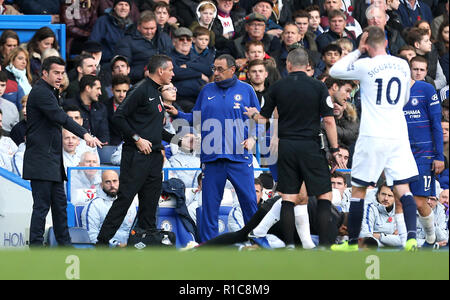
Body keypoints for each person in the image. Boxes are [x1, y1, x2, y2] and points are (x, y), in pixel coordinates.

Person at [329, 26, 420, 252]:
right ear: (387, 43)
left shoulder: (364, 65)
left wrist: (357, 51)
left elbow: (335, 70)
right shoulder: (402, 65)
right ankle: (410, 239)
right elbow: (405, 98)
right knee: (403, 188)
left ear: (367, 45)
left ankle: (351, 244)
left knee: (359, 189)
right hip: (397, 134)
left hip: (372, 135)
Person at [244, 48, 342, 247]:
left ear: (288, 65)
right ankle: (323, 245)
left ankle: (289, 245)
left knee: (288, 198)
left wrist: (254, 114)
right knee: (324, 196)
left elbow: (264, 120)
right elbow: (330, 121)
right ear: (307, 66)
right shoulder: (318, 87)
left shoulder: (278, 87)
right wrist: (334, 149)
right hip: (311, 145)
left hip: (287, 146)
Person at [165, 54, 261, 243]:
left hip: (239, 157)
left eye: (220, 69)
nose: (215, 73)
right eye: (214, 69)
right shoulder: (206, 90)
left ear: (232, 70)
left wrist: (252, 138)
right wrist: (178, 114)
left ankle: (255, 241)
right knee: (209, 206)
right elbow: (195, 118)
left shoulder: (247, 90)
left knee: (249, 202)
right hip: (212, 158)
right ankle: (209, 246)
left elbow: (259, 119)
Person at [95, 54, 178, 246]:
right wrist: (137, 139)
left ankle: (146, 244)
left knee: (150, 204)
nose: (173, 74)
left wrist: (178, 141)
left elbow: (154, 128)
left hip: (155, 157)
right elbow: (118, 117)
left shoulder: (157, 92)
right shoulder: (140, 90)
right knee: (124, 200)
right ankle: (101, 242)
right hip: (136, 156)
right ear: (160, 71)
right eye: (171, 70)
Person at [23, 56, 103, 247]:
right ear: (44, 73)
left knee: (59, 206)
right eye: (56, 73)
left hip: (52, 161)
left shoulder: (51, 91)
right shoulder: (41, 92)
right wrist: (84, 134)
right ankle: (35, 249)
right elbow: (60, 117)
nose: (60, 77)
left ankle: (65, 247)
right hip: (41, 160)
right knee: (41, 208)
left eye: (62, 73)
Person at [403, 59, 445, 246]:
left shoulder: (427, 90)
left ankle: (431, 237)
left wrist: (439, 155)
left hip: (424, 153)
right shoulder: (396, 93)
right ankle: (408, 241)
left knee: (420, 202)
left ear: (426, 71)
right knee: (400, 199)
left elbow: (436, 124)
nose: (418, 72)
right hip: (401, 153)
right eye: (415, 69)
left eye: (422, 70)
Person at [115, 10, 173, 84]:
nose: (149, 32)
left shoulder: (164, 37)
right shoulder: (126, 42)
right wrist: (143, 73)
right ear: (138, 27)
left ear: (156, 26)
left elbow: (173, 58)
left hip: (166, 79)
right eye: (146, 29)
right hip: (140, 82)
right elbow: (122, 69)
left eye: (152, 28)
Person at [82, 169, 137, 247]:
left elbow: (134, 231)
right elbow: (91, 236)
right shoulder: (94, 205)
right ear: (101, 185)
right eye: (108, 182)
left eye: (115, 181)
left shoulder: (130, 203)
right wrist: (116, 245)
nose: (112, 185)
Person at [169, 27, 212, 112]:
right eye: (181, 39)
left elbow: (208, 70)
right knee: (197, 114)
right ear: (174, 42)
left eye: (188, 39)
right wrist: (199, 74)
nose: (185, 41)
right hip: (182, 99)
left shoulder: (197, 56)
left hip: (202, 96)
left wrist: (189, 65)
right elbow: (176, 72)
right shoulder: (169, 57)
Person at [64, 75, 110, 144]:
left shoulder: (101, 108)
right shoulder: (68, 105)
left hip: (96, 148)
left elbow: (104, 134)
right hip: (73, 146)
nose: (100, 93)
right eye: (97, 89)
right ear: (88, 88)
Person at [89, 0, 134, 64]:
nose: (123, 8)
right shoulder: (103, 21)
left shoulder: (131, 25)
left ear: (129, 10)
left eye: (126, 5)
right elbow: (93, 43)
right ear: (114, 7)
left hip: (126, 64)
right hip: (106, 62)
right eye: (120, 4)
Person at [360, 182, 403, 248]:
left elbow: (404, 239)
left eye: (390, 195)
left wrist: (380, 236)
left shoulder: (400, 209)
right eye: (383, 194)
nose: (386, 198)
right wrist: (391, 241)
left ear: (395, 198)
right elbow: (367, 238)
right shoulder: (369, 208)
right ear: (378, 195)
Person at [105, 74, 130, 146]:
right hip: (111, 146)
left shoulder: (137, 107)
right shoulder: (104, 107)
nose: (121, 95)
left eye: (125, 91)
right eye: (118, 91)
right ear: (112, 90)